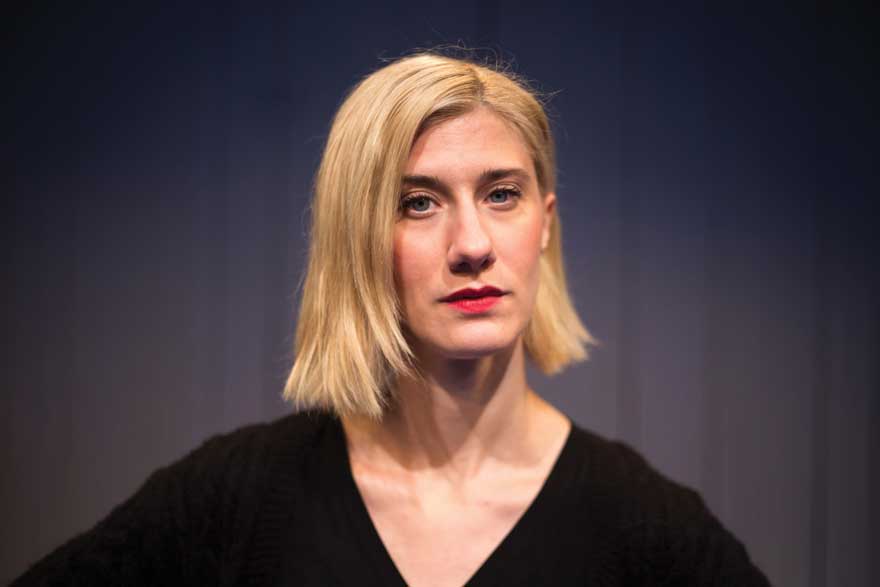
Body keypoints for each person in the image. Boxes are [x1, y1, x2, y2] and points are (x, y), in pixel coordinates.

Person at [13, 51, 771, 586]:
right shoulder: (237, 498)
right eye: (418, 202)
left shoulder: (645, 528)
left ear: (544, 223)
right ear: (358, 238)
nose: (472, 244)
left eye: (501, 194)